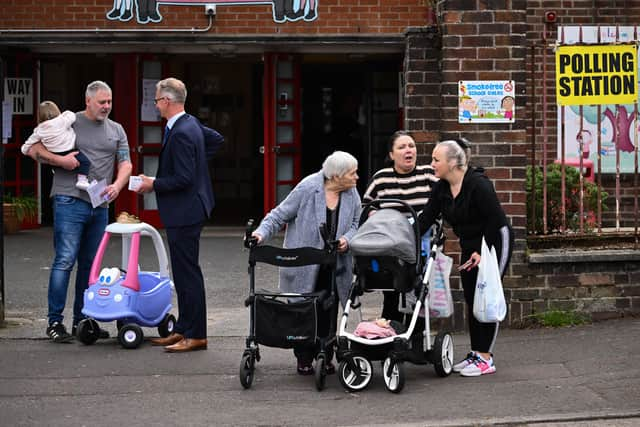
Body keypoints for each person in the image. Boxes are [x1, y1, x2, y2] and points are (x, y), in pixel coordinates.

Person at [26, 80, 132, 343]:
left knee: (90, 265)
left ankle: (82, 321)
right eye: (102, 102)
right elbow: (34, 148)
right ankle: (54, 323)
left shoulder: (117, 129)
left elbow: (126, 163)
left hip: (100, 206)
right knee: (65, 260)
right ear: (88, 101)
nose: (107, 106)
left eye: (109, 102)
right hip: (69, 200)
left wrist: (118, 185)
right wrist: (60, 160)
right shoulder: (68, 121)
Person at [251, 151, 361, 375]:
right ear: (336, 176)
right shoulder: (309, 187)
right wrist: (260, 234)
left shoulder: (351, 193)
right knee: (303, 311)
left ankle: (325, 354)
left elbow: (357, 223)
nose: (357, 177)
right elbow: (278, 215)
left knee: (328, 311)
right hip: (304, 263)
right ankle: (303, 357)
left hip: (334, 264)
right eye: (352, 173)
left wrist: (346, 240)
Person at [136, 77, 224, 353]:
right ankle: (183, 329)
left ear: (167, 101)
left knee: (188, 274)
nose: (156, 105)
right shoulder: (191, 123)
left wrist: (153, 183)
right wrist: (198, 167)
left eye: (157, 100)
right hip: (189, 208)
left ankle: (196, 335)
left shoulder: (184, 131)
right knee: (184, 271)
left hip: (185, 210)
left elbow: (184, 178)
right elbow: (217, 140)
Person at [418, 138, 513, 377]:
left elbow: (495, 221)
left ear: (452, 162)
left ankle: (486, 358)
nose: (431, 164)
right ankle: (476, 352)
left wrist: (482, 253)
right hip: (470, 245)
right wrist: (400, 233)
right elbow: (426, 218)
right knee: (472, 297)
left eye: (436, 160)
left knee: (486, 296)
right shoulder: (441, 187)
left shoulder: (478, 184)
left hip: (493, 242)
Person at [363, 130, 438, 323]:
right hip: (391, 246)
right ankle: (389, 332)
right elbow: (366, 206)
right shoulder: (381, 178)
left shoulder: (428, 174)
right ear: (391, 154)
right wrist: (375, 216)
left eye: (411, 146)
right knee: (392, 292)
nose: (408, 150)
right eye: (402, 147)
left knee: (419, 291)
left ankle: (417, 335)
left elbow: (442, 203)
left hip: (422, 242)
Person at [22, 101, 92, 191]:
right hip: (70, 150)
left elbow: (28, 144)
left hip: (55, 153)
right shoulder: (62, 121)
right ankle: (82, 181)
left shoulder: (39, 130)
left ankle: (56, 170)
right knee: (85, 162)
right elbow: (72, 115)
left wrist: (24, 149)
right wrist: (64, 114)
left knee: (56, 165)